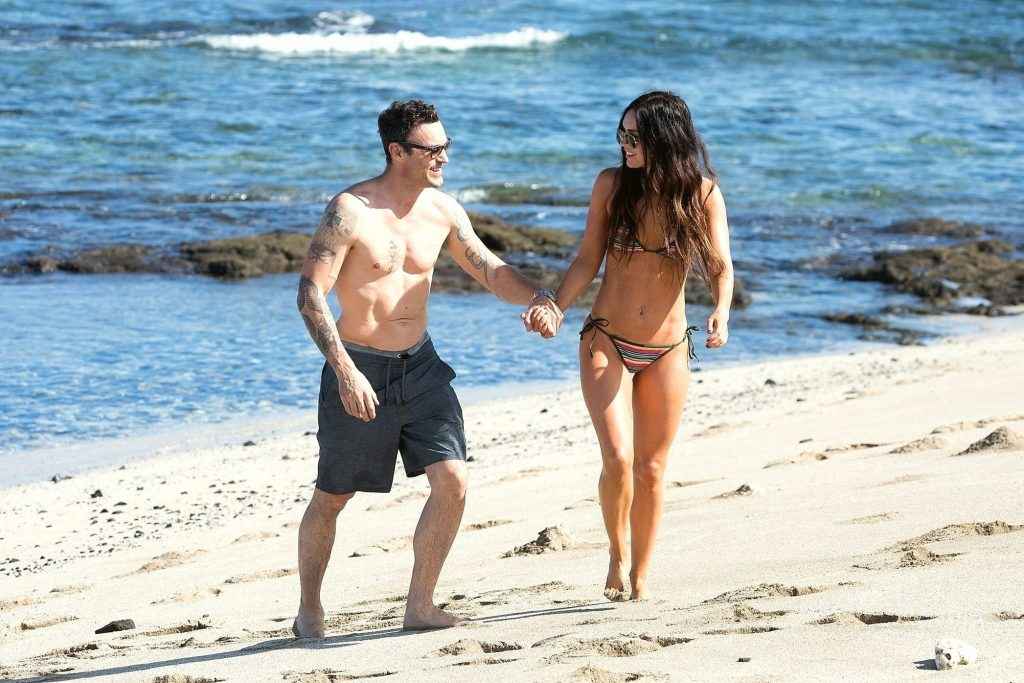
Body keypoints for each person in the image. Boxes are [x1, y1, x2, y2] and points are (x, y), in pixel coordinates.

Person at [293, 99, 558, 637]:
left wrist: (540, 297)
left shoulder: (443, 210)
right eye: (432, 148)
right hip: (359, 366)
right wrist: (344, 370)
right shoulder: (351, 210)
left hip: (422, 366)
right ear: (397, 151)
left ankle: (420, 605)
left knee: (453, 480)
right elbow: (310, 295)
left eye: (446, 146)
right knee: (333, 496)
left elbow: (490, 270)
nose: (444, 157)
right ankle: (310, 610)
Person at [524, 91, 734, 601]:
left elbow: (720, 265)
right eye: (621, 134)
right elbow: (587, 258)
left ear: (665, 138)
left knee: (652, 468)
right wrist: (556, 305)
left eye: (635, 136)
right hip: (607, 340)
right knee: (618, 458)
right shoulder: (611, 186)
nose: (624, 144)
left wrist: (721, 310)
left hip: (667, 350)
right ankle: (616, 553)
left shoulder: (702, 194)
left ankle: (641, 576)